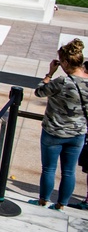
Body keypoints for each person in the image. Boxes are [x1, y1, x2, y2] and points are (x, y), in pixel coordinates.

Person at [31, 38, 88, 211]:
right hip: (77, 134)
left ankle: (43, 200)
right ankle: (61, 204)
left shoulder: (62, 82)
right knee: (69, 171)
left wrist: (49, 74)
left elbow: (39, 91)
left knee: (48, 169)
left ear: (64, 62)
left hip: (54, 132)